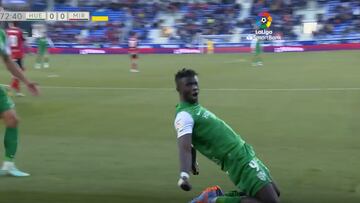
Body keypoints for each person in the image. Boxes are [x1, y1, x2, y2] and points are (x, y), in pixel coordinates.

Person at [174, 68, 280, 203]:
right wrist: (184, 175)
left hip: (245, 153)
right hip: (237, 160)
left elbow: (192, 141)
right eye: (189, 85)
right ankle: (212, 200)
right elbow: (184, 147)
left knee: (276, 193)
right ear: (179, 88)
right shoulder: (184, 116)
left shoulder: (194, 109)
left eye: (196, 84)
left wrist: (193, 161)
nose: (194, 87)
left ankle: (215, 197)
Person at [0, 28, 39, 177]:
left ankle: (8, 166)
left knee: (12, 119)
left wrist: (27, 82)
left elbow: (8, 62)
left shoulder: (2, 35)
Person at [6, 22, 26, 96]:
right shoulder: (20, 31)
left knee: (17, 72)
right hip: (18, 54)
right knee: (18, 73)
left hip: (10, 54)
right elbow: (23, 41)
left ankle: (17, 91)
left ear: (12, 24)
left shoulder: (7, 31)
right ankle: (10, 88)